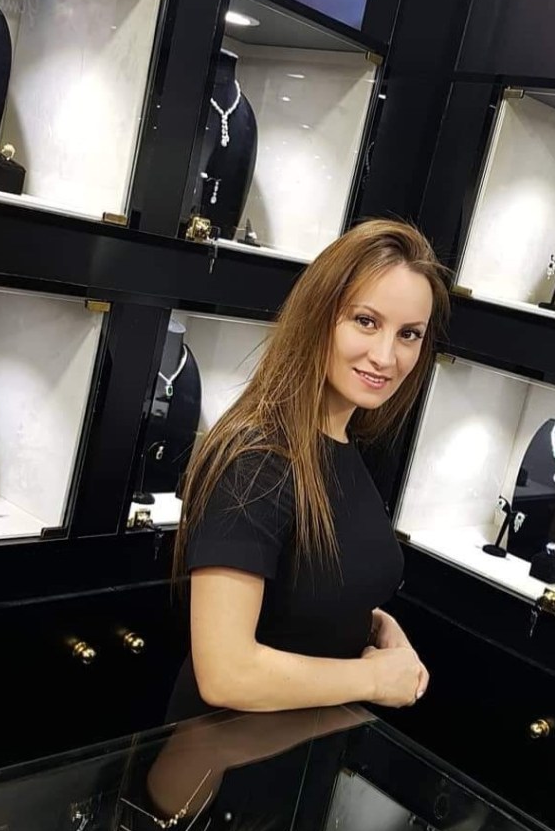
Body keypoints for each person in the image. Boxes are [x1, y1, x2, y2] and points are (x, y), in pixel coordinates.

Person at [165, 219, 450, 720]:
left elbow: (305, 588)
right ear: (319, 315)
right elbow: (226, 672)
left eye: (409, 334)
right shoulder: (258, 461)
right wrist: (375, 679)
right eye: (366, 321)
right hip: (226, 753)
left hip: (298, 746)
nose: (386, 356)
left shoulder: (341, 445)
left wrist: (374, 625)